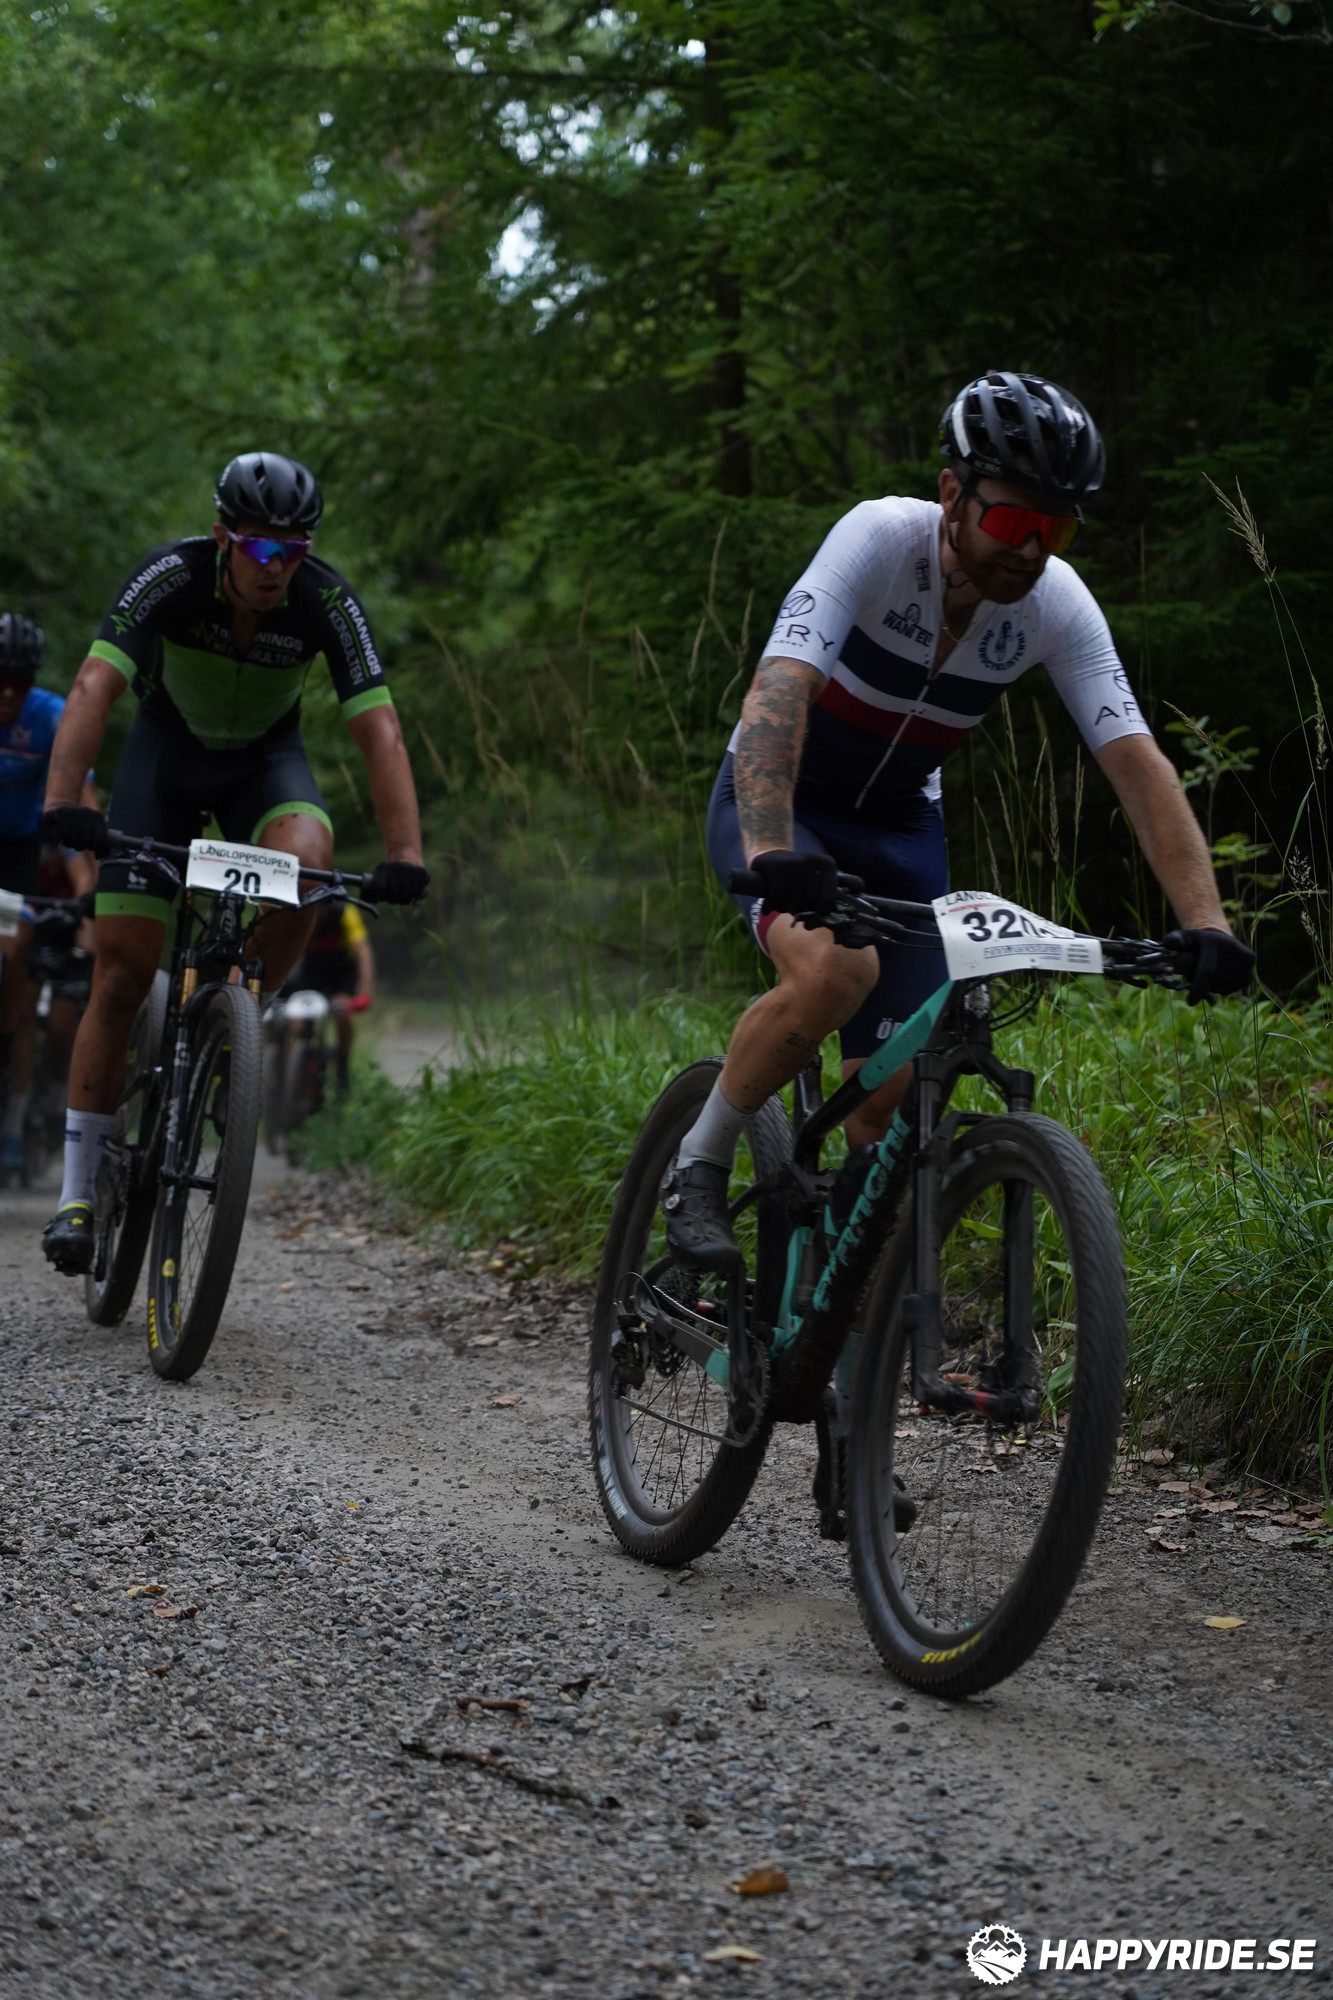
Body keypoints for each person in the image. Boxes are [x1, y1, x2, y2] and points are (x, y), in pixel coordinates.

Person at [667, 370, 1255, 1267]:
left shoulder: (1055, 605)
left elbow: (1136, 764)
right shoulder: (878, 538)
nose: (1031, 551)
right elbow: (780, 688)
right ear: (951, 493)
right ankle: (697, 1164)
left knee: (889, 1099)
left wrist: (1205, 922)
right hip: (788, 805)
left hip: (901, 825)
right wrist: (772, 845)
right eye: (1014, 521)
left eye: (1055, 530)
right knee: (833, 972)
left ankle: (833, 1307)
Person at [40, 451, 430, 1272]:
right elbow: (92, 687)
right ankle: (77, 1196)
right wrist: (63, 802)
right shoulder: (172, 576)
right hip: (164, 765)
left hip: (264, 767)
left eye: (293, 550)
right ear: (223, 539)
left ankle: (236, 1021)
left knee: (311, 865)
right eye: (259, 548)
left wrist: (405, 854)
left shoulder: (324, 599)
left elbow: (380, 729)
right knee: (120, 976)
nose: (275, 567)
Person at [0, 615, 98, 1177]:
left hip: (18, 851)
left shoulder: (50, 715)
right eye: (0, 680)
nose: (8, 693)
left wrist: (92, 885)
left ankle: (12, 1112)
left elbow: (80, 798)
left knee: (16, 956)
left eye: (20, 681)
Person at [283, 895, 374, 1088]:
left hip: (341, 974)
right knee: (295, 1021)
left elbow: (362, 951)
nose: (316, 915)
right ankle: (291, 1071)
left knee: (341, 1015)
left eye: (320, 910)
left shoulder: (345, 914)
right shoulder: (300, 914)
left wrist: (365, 992)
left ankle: (342, 1065)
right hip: (310, 972)